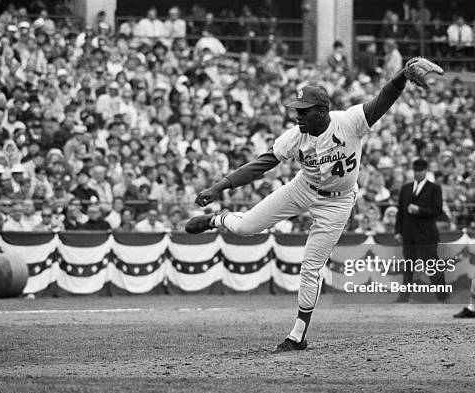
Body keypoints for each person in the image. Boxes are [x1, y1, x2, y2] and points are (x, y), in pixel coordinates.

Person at [185, 58, 444, 352]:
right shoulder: (296, 136)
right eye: (297, 110)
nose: (298, 116)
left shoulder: (349, 121)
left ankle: (297, 335)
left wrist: (401, 76)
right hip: (302, 188)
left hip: (338, 203)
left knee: (310, 267)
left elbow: (382, 99)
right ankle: (215, 220)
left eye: (304, 111)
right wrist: (219, 187)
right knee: (245, 227)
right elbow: (262, 164)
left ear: (323, 111)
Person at [394, 158, 447, 303]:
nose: (417, 173)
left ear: (426, 171)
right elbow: (400, 212)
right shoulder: (406, 188)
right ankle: (404, 296)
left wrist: (419, 210)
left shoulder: (434, 188)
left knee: (432, 266)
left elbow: (437, 210)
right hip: (409, 234)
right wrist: (398, 231)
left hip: (426, 235)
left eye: (420, 171)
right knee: (408, 265)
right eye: (415, 171)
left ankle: (442, 297)